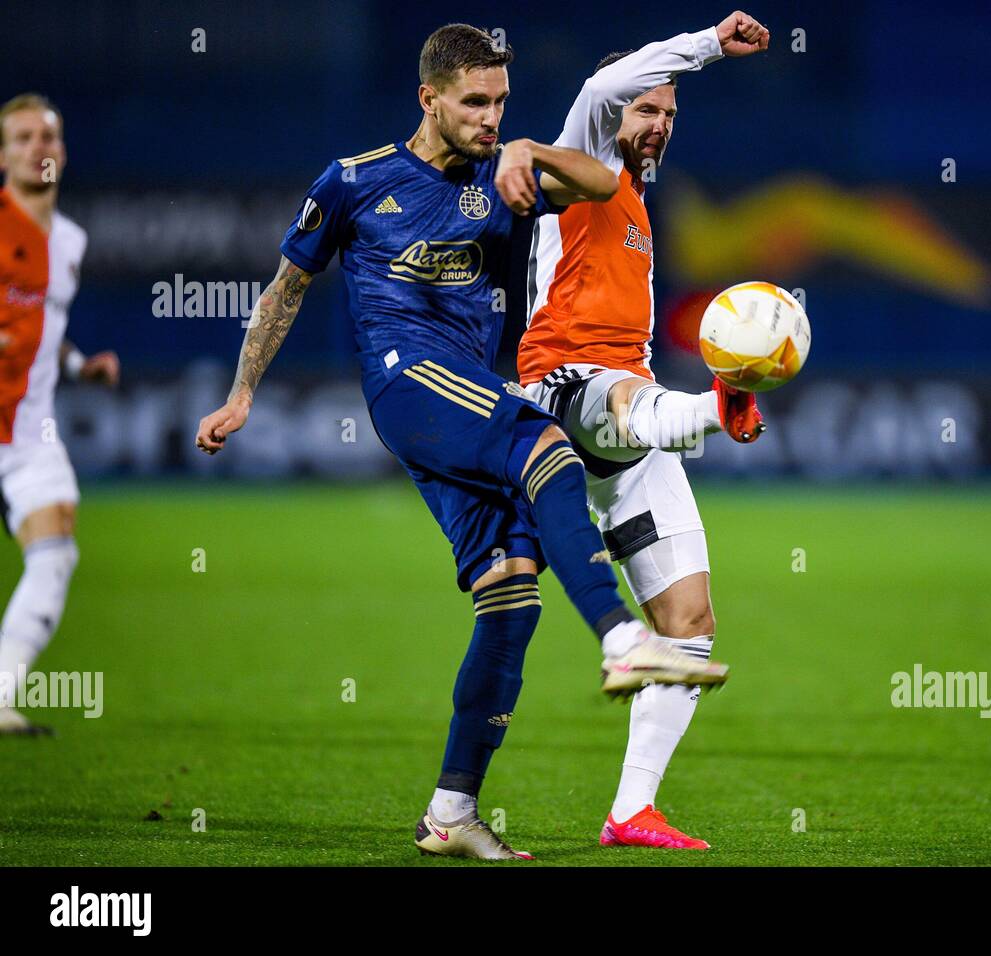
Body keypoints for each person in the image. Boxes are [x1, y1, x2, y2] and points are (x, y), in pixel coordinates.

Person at [193, 24, 727, 860]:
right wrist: (240, 393)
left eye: (501, 102)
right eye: (475, 102)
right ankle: (623, 641)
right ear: (428, 99)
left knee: (512, 594)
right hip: (408, 380)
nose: (489, 116)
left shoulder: (499, 177)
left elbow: (601, 180)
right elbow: (286, 287)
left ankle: (451, 809)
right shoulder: (356, 182)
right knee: (548, 446)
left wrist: (525, 147)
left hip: (477, 392)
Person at [519, 11, 768, 849]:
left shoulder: (636, 208)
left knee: (691, 629)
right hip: (564, 390)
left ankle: (630, 811)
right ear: (614, 112)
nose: (657, 123)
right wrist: (704, 47)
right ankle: (713, 408)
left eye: (668, 112)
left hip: (630, 424)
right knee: (632, 397)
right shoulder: (587, 166)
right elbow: (599, 88)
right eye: (645, 109)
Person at [0, 93, 120, 736]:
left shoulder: (69, 241)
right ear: (2, 155)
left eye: (46, 137)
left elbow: (46, 326)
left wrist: (80, 366)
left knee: (55, 552)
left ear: (63, 152)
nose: (36, 149)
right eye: (21, 139)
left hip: (26, 431)